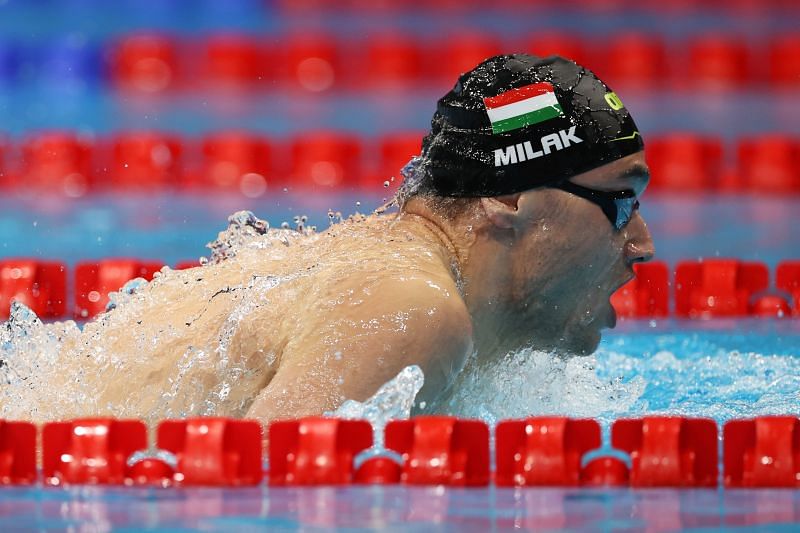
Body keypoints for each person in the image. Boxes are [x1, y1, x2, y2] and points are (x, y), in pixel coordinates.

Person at [2, 54, 653, 427]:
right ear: (509, 200)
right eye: (621, 202)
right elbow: (252, 503)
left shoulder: (392, 268)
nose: (643, 244)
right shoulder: (414, 308)